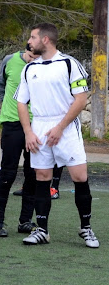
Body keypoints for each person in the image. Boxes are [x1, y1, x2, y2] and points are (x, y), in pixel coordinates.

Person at [16, 23, 99, 248]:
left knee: (79, 176)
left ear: (45, 39)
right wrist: (28, 132)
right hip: (39, 127)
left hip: (66, 127)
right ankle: (42, 230)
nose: (29, 41)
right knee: (42, 176)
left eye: (33, 37)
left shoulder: (69, 64)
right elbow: (21, 102)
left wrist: (60, 127)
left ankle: (86, 228)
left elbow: (81, 99)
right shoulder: (29, 69)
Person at [0, 45, 38, 237]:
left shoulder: (45, 65)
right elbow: (1, 84)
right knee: (7, 173)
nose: (32, 60)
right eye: (31, 56)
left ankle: (25, 221)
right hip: (12, 124)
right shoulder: (9, 60)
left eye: (36, 57)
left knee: (32, 174)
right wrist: (6, 106)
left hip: (36, 126)